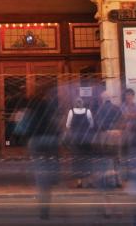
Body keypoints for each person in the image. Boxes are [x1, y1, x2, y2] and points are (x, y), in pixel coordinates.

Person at [22, 85, 61, 221]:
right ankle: (54, 175)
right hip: (51, 139)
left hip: (36, 140)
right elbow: (58, 123)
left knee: (40, 175)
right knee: (52, 162)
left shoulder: (31, 106)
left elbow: (25, 126)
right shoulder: (52, 105)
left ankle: (44, 209)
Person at [93, 91, 122, 189]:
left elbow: (97, 123)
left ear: (103, 99)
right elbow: (121, 120)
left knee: (108, 158)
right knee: (116, 157)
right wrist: (118, 130)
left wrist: (105, 131)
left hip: (106, 134)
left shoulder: (100, 109)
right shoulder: (117, 108)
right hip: (116, 133)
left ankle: (112, 182)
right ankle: (119, 180)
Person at [64, 97, 94, 187]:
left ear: (75, 103)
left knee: (77, 161)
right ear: (83, 103)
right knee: (87, 160)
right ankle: (89, 181)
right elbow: (92, 124)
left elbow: (67, 125)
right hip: (86, 139)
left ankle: (79, 182)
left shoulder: (71, 112)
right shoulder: (88, 111)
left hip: (76, 139)